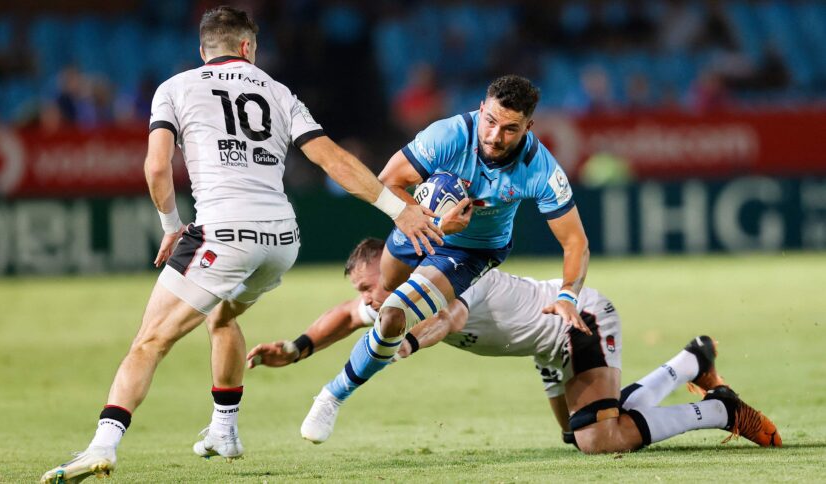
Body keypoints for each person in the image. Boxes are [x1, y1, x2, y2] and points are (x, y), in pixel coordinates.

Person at [41, 7, 444, 483]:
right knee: (223, 314)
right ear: (248, 47)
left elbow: (156, 167)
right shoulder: (280, 92)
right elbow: (334, 160)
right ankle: (224, 430)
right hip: (281, 240)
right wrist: (399, 210)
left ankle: (102, 445)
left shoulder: (175, 88)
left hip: (223, 233)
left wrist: (171, 225)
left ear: (203, 50)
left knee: (149, 342)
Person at [249, 238, 782, 452]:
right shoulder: (398, 296)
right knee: (579, 434)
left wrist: (408, 342)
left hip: (577, 320)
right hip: (545, 348)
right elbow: (345, 316)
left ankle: (720, 410)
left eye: (371, 286)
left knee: (599, 439)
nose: (368, 299)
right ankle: (690, 360)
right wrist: (296, 348)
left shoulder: (451, 275)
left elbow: (451, 318)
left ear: (394, 273)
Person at [302, 75, 590, 435]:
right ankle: (368, 332)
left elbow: (575, 241)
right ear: (481, 109)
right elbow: (387, 182)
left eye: (510, 129)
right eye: (490, 121)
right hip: (418, 224)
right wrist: (435, 222)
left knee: (393, 315)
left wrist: (568, 295)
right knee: (382, 295)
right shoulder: (448, 135)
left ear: (528, 127)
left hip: (473, 249)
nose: (495, 136)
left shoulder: (541, 168)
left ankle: (332, 396)